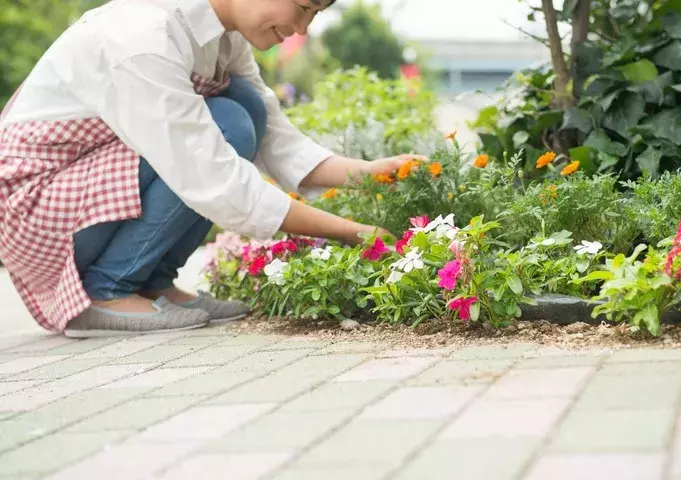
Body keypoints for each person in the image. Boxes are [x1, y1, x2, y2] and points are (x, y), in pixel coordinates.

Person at [0, 0, 419, 338]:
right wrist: (354, 232)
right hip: (36, 211)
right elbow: (212, 178)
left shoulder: (222, 38)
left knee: (247, 108)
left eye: (314, 15)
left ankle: (152, 281)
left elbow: (278, 139)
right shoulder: (144, 36)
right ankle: (105, 291)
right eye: (304, 7)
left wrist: (370, 172)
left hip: (83, 192)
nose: (302, 29)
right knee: (228, 124)